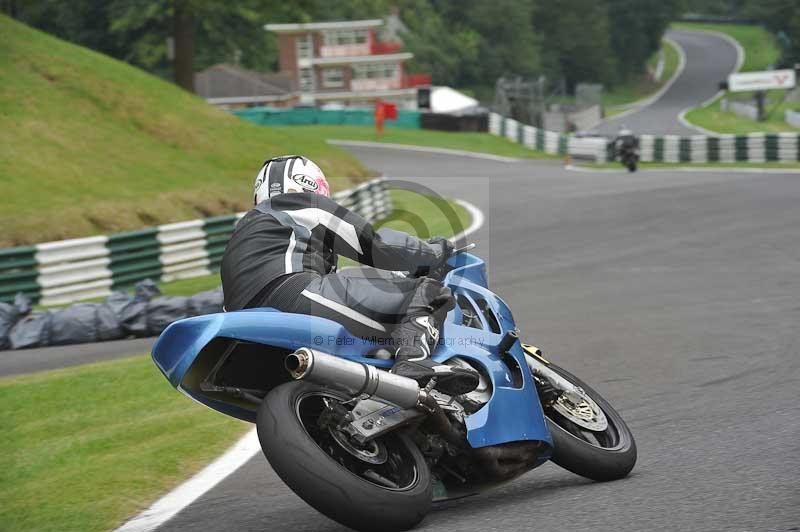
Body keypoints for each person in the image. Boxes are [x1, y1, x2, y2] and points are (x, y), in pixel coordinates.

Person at [221, 155, 479, 396]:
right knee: (428, 292)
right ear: (311, 185)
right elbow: (376, 246)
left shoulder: (242, 237)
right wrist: (435, 251)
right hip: (294, 294)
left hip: (242, 329)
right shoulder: (299, 205)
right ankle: (415, 362)